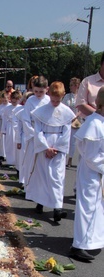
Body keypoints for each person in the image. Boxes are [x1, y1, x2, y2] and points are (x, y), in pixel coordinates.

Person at [25, 82, 74, 223]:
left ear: (62, 96)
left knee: (57, 178)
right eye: (52, 100)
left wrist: (56, 148)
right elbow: (38, 131)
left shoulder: (66, 112)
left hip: (58, 149)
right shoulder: (41, 111)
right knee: (43, 176)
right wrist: (46, 147)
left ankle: (57, 208)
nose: (54, 103)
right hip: (44, 145)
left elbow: (66, 133)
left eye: (57, 101)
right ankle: (40, 202)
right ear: (49, 95)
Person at [69, 86, 104, 262]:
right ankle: (79, 246)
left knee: (96, 209)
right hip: (91, 173)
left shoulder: (100, 121)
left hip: (97, 174)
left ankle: (91, 241)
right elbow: (91, 156)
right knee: (87, 208)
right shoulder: (94, 123)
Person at [19, 76, 49, 190]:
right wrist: (33, 134)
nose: (38, 94)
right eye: (36, 91)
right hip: (32, 135)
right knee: (30, 162)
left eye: (41, 91)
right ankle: (29, 187)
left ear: (47, 89)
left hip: (45, 135)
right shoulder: (30, 100)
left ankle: (41, 189)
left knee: (42, 164)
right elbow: (25, 119)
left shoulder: (48, 101)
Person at [76, 51, 104, 118]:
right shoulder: (87, 81)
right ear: (101, 64)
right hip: (90, 123)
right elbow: (81, 104)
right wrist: (99, 115)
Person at [62, 77, 82, 168]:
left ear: (77, 86)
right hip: (68, 120)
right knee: (67, 140)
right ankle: (66, 158)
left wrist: (76, 116)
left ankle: (73, 158)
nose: (70, 87)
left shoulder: (81, 96)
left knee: (76, 142)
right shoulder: (67, 96)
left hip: (78, 121)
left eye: (71, 85)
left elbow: (82, 108)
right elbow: (63, 107)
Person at [2, 90, 22, 168]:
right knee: (9, 144)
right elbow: (4, 119)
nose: (14, 102)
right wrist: (3, 129)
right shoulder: (7, 108)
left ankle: (16, 161)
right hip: (10, 127)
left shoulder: (21, 108)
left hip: (18, 127)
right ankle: (10, 160)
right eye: (13, 100)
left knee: (16, 144)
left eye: (16, 100)